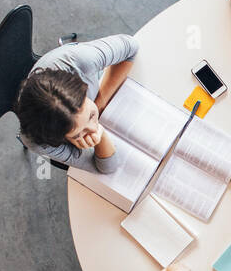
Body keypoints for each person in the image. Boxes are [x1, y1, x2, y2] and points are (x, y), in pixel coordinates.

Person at [13, 34, 138, 172]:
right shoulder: (38, 143)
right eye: (78, 134)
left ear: (83, 89)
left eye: (91, 115)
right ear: (59, 139)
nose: (93, 128)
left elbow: (131, 45)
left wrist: (100, 103)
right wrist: (101, 136)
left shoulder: (82, 61)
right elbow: (108, 168)